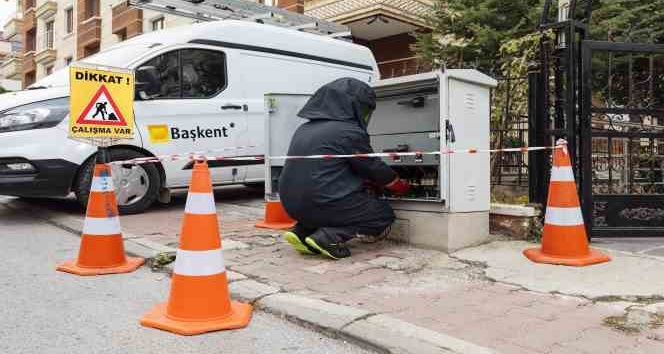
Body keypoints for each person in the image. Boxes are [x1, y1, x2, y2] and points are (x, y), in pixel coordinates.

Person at [279, 78, 411, 260]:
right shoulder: (347, 131)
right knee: (382, 214)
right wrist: (397, 184)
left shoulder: (304, 129)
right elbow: (372, 168)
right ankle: (329, 238)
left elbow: (329, 168)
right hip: (323, 202)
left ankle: (302, 232)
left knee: (324, 205)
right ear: (353, 106)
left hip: (292, 204)